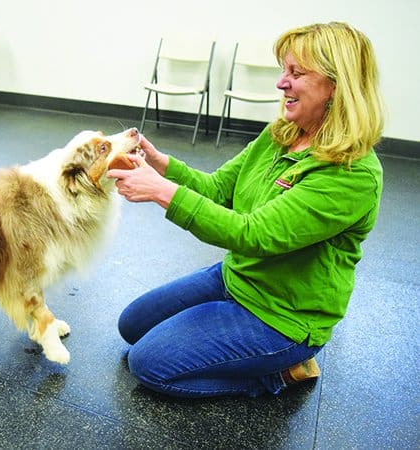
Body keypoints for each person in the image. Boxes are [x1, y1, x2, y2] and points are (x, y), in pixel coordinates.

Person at [107, 22, 384, 398]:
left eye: (296, 73)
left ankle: (281, 372)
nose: (281, 83)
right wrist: (160, 164)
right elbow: (219, 189)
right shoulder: (281, 134)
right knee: (132, 325)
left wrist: (163, 193)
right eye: (283, 70)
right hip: (236, 278)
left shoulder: (352, 174)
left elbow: (253, 235)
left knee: (150, 365)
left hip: (281, 317)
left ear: (337, 86)